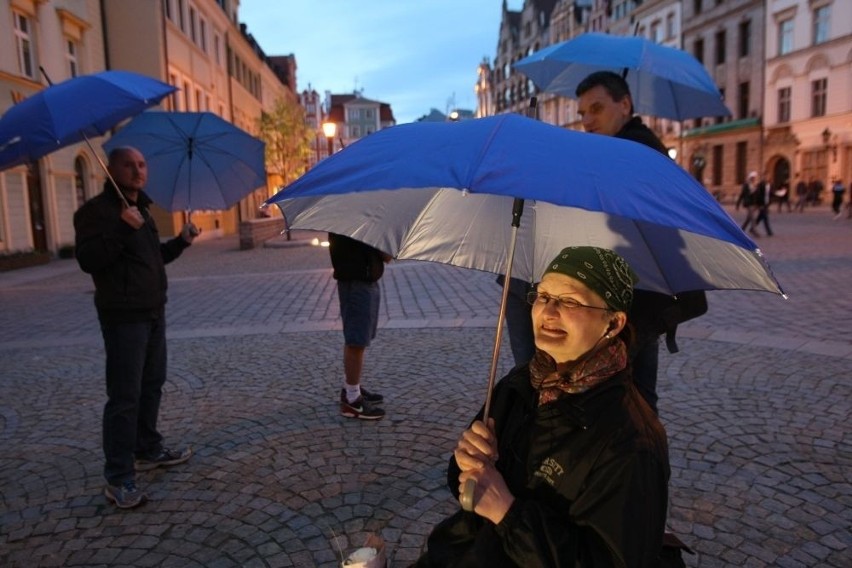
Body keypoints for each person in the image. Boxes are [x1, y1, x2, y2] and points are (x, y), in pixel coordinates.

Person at [413, 246, 671, 567]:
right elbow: (465, 486)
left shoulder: (631, 442)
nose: (548, 312)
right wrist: (468, 461)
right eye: (543, 296)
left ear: (614, 323)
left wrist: (507, 512)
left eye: (571, 301)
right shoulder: (521, 384)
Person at [572, 70, 707, 414]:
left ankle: (634, 459)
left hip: (635, 292)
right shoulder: (634, 144)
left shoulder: (633, 152)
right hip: (643, 292)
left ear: (625, 105)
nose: (587, 120)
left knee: (618, 391)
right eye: (582, 113)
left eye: (597, 109)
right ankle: (646, 458)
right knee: (639, 389)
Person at [74, 146, 199, 509]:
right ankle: (118, 476)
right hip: (123, 316)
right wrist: (119, 228)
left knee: (151, 385)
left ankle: (147, 447)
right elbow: (88, 260)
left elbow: (153, 257)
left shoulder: (142, 209)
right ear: (111, 169)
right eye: (128, 165)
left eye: (142, 164)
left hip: (152, 312)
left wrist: (182, 242)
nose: (137, 170)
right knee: (124, 396)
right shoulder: (95, 213)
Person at [328, 233, 391, 420]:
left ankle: (351, 387)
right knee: (356, 340)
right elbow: (386, 254)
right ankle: (352, 400)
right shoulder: (356, 219)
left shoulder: (354, 216)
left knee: (361, 338)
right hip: (357, 281)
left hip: (364, 278)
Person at [737, 171, 760, 237]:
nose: (754, 179)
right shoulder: (746, 185)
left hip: (754, 203)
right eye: (753, 178)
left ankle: (742, 229)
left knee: (749, 218)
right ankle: (754, 230)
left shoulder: (755, 185)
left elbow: (757, 195)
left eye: (754, 178)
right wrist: (738, 204)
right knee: (752, 217)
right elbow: (742, 194)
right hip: (748, 203)